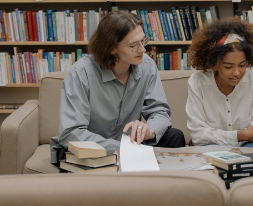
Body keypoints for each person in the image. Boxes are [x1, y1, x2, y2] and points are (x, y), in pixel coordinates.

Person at [50, 10, 185, 166]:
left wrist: (150, 130)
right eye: (134, 45)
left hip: (129, 145)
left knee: (174, 136)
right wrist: (122, 148)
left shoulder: (146, 65)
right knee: (81, 154)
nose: (142, 50)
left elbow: (160, 111)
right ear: (112, 48)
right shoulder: (81, 73)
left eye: (143, 41)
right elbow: (71, 133)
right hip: (92, 148)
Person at [186, 16, 253, 147]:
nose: (236, 73)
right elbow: (198, 135)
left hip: (247, 145)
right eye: (228, 67)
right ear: (215, 63)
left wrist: (245, 136)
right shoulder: (197, 83)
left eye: (242, 65)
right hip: (211, 146)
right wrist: (241, 135)